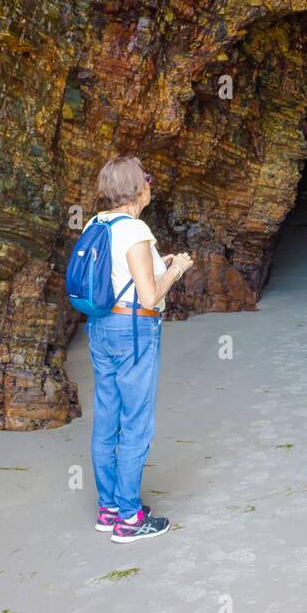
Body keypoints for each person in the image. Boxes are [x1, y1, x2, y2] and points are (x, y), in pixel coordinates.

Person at [87, 156, 193, 543]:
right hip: (133, 330)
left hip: (100, 327)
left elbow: (119, 272)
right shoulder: (135, 229)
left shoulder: (97, 223)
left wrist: (157, 262)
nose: (150, 183)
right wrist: (176, 269)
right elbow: (149, 295)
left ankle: (109, 507)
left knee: (107, 416)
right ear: (137, 188)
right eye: (146, 177)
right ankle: (130, 519)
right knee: (136, 421)